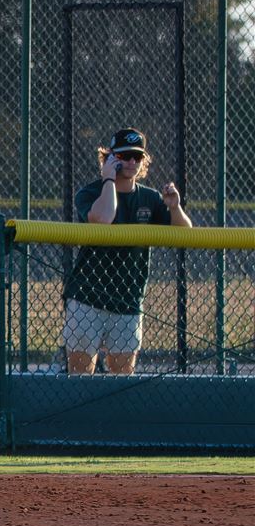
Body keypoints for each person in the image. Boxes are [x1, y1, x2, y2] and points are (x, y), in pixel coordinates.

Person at [63, 127, 192, 375]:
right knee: (79, 375)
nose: (132, 162)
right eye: (124, 156)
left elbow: (185, 234)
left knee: (121, 377)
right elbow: (102, 218)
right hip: (87, 298)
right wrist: (109, 179)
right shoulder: (90, 193)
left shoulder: (151, 198)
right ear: (110, 158)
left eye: (138, 157)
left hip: (128, 299)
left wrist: (175, 208)